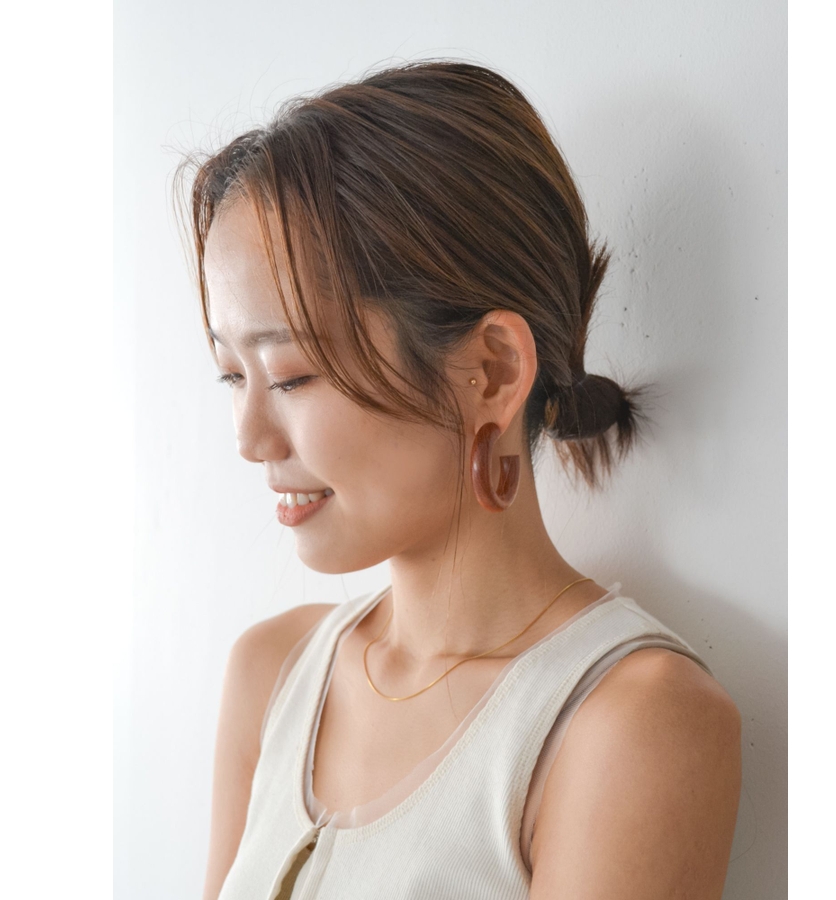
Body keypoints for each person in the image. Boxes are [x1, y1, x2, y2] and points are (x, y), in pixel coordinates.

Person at [178, 59, 741, 900]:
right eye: (233, 374)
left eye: (292, 375)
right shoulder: (273, 673)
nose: (249, 439)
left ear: (492, 372)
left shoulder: (631, 720)